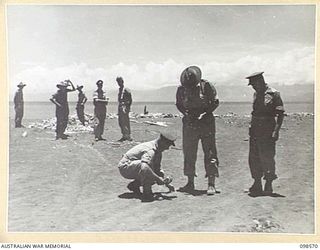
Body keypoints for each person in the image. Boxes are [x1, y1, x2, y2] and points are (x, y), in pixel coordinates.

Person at [176, 66, 219, 195]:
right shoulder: (181, 89)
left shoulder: (206, 86)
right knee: (189, 153)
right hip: (190, 124)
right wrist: (186, 114)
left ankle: (211, 184)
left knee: (210, 152)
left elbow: (215, 102)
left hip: (206, 123)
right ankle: (190, 183)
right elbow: (178, 104)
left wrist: (205, 113)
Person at [246, 72, 285, 195]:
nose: (253, 87)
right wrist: (251, 126)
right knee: (253, 157)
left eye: (254, 84)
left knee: (267, 157)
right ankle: (257, 183)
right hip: (255, 130)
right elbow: (255, 112)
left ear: (260, 81)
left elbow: (280, 114)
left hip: (268, 129)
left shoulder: (274, 94)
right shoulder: (256, 94)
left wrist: (276, 131)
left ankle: (268, 184)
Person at [118, 132, 175, 202]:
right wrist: (157, 179)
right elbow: (144, 167)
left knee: (156, 172)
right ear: (162, 142)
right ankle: (147, 193)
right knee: (147, 168)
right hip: (125, 167)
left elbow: (157, 170)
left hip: (132, 166)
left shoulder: (158, 151)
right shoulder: (151, 150)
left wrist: (165, 182)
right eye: (167, 145)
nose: (167, 148)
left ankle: (134, 185)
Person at [116, 77, 133, 141]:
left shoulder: (126, 89)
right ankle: (124, 135)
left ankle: (128, 135)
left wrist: (127, 107)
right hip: (120, 106)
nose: (119, 83)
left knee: (125, 121)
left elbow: (130, 99)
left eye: (120, 81)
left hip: (124, 106)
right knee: (121, 121)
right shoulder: (120, 90)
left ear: (122, 81)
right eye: (118, 82)